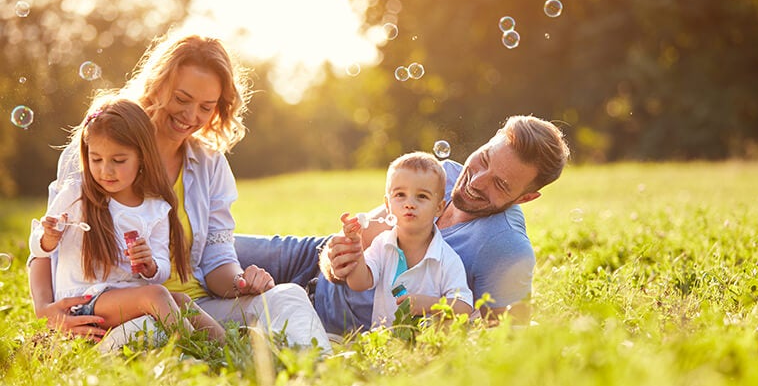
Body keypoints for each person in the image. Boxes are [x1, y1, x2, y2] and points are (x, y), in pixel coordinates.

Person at [28, 31, 331, 352]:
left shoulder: (208, 163)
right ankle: (223, 355)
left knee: (288, 296)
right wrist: (45, 312)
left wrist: (242, 283)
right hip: (116, 310)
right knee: (146, 335)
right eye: (182, 99)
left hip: (194, 308)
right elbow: (46, 248)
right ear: (157, 85)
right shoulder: (99, 147)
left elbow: (217, 258)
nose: (191, 116)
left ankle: (315, 372)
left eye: (206, 106)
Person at [235, 114, 570, 334]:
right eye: (483, 159)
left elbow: (503, 339)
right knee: (209, 247)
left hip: (328, 319)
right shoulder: (447, 173)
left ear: (525, 198)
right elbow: (363, 232)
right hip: (309, 257)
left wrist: (433, 310)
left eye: (500, 184)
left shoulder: (506, 247)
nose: (476, 181)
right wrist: (335, 258)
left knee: (217, 299)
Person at [29, 98, 225, 343]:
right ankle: (195, 348)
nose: (105, 171)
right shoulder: (76, 194)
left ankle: (226, 344)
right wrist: (47, 239)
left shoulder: (155, 208)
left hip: (124, 298)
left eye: (118, 161)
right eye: (96, 159)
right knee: (156, 295)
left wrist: (150, 265)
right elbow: (38, 250)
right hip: (83, 302)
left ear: (142, 158)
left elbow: (162, 267)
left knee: (182, 301)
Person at [335, 152, 472, 328]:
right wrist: (354, 246)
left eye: (422, 196)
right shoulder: (382, 244)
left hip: (428, 346)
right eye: (400, 195)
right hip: (386, 344)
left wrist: (431, 304)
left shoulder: (446, 258)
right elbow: (359, 283)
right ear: (387, 205)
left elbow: (464, 307)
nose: (409, 203)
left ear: (439, 208)